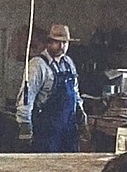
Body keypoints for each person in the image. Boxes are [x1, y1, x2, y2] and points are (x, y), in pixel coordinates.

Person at [20, 23, 87, 153]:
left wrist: (82, 118)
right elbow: (26, 100)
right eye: (58, 42)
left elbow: (75, 94)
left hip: (69, 130)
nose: (62, 46)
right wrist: (25, 131)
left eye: (65, 43)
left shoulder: (69, 63)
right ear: (49, 42)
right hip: (47, 131)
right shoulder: (37, 65)